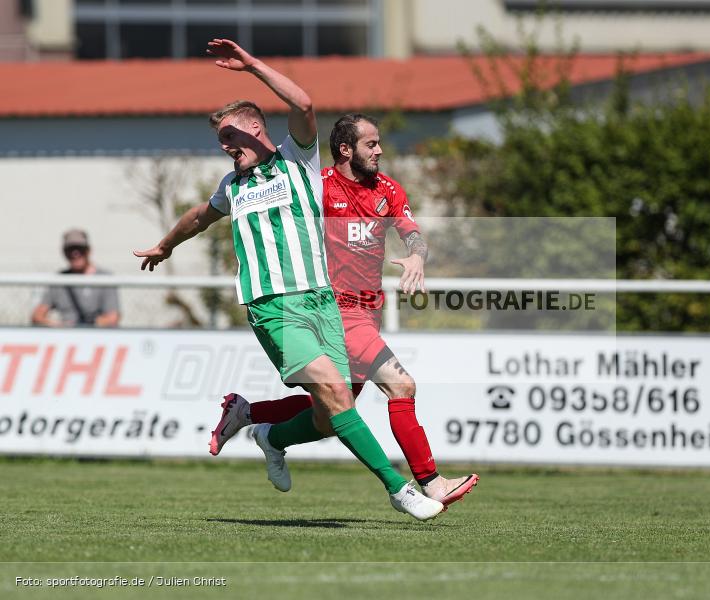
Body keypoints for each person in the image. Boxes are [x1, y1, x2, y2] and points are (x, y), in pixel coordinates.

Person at [133, 38, 444, 521]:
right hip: (275, 305)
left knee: (326, 417)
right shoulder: (232, 186)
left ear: (256, 129)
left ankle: (267, 435)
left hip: (322, 303)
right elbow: (199, 217)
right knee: (338, 395)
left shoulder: (297, 161)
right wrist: (166, 244)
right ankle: (399, 489)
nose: (223, 146)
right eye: (220, 140)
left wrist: (253, 66)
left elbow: (303, 103)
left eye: (230, 136)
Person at [208, 114, 479, 507]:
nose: (380, 150)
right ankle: (431, 483)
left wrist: (417, 256)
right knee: (401, 386)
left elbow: (413, 235)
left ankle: (258, 422)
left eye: (379, 142)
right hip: (334, 310)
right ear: (345, 149)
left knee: (330, 415)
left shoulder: (389, 190)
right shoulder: (317, 187)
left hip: (367, 312)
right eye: (371, 144)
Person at [32, 229, 120, 327]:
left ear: (89, 250)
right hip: (64, 338)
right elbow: (37, 316)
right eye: (70, 249)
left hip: (96, 336)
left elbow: (113, 318)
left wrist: (87, 327)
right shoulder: (59, 280)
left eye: (80, 249)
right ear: (64, 252)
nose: (75, 254)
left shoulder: (105, 279)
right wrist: (58, 325)